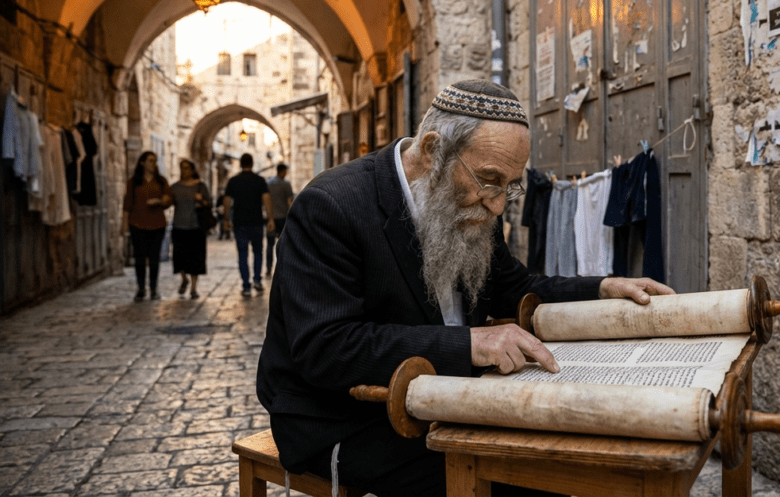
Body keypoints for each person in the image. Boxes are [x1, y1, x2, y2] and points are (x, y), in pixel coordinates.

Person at [256, 80, 673, 497]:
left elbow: (517, 286)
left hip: (441, 398)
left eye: (509, 186)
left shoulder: (471, 201)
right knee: (523, 478)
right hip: (345, 416)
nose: (496, 205)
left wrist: (602, 287)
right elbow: (327, 348)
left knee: (575, 451)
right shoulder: (332, 204)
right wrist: (471, 344)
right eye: (490, 179)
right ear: (434, 151)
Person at [121, 151, 172, 302]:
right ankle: (141, 288)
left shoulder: (161, 181)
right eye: (150, 161)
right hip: (138, 223)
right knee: (140, 258)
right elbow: (127, 204)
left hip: (157, 224)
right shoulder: (134, 182)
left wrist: (159, 201)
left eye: (155, 161)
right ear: (142, 163)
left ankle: (154, 289)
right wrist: (124, 225)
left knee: (154, 258)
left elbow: (168, 199)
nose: (153, 164)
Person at [223, 153, 274, 297]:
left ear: (240, 164)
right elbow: (266, 199)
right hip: (257, 222)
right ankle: (257, 280)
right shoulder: (259, 180)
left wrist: (226, 220)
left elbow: (227, 200)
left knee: (242, 254)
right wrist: (271, 219)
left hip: (240, 223)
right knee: (258, 252)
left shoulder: (233, 181)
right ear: (252, 164)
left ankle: (246, 286)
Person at [170, 159, 212, 299]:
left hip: (196, 226)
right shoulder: (174, 187)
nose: (184, 171)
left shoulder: (200, 186)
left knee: (196, 258)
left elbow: (209, 203)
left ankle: (193, 288)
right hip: (179, 225)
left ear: (192, 170)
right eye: (182, 168)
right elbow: (168, 201)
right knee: (179, 257)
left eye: (187, 168)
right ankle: (184, 278)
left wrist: (201, 200)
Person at [265, 162, 294, 277]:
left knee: (269, 244)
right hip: (282, 217)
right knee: (283, 244)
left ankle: (268, 268)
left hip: (271, 218)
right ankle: (282, 267)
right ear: (282, 171)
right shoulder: (286, 184)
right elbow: (290, 201)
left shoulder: (268, 183)